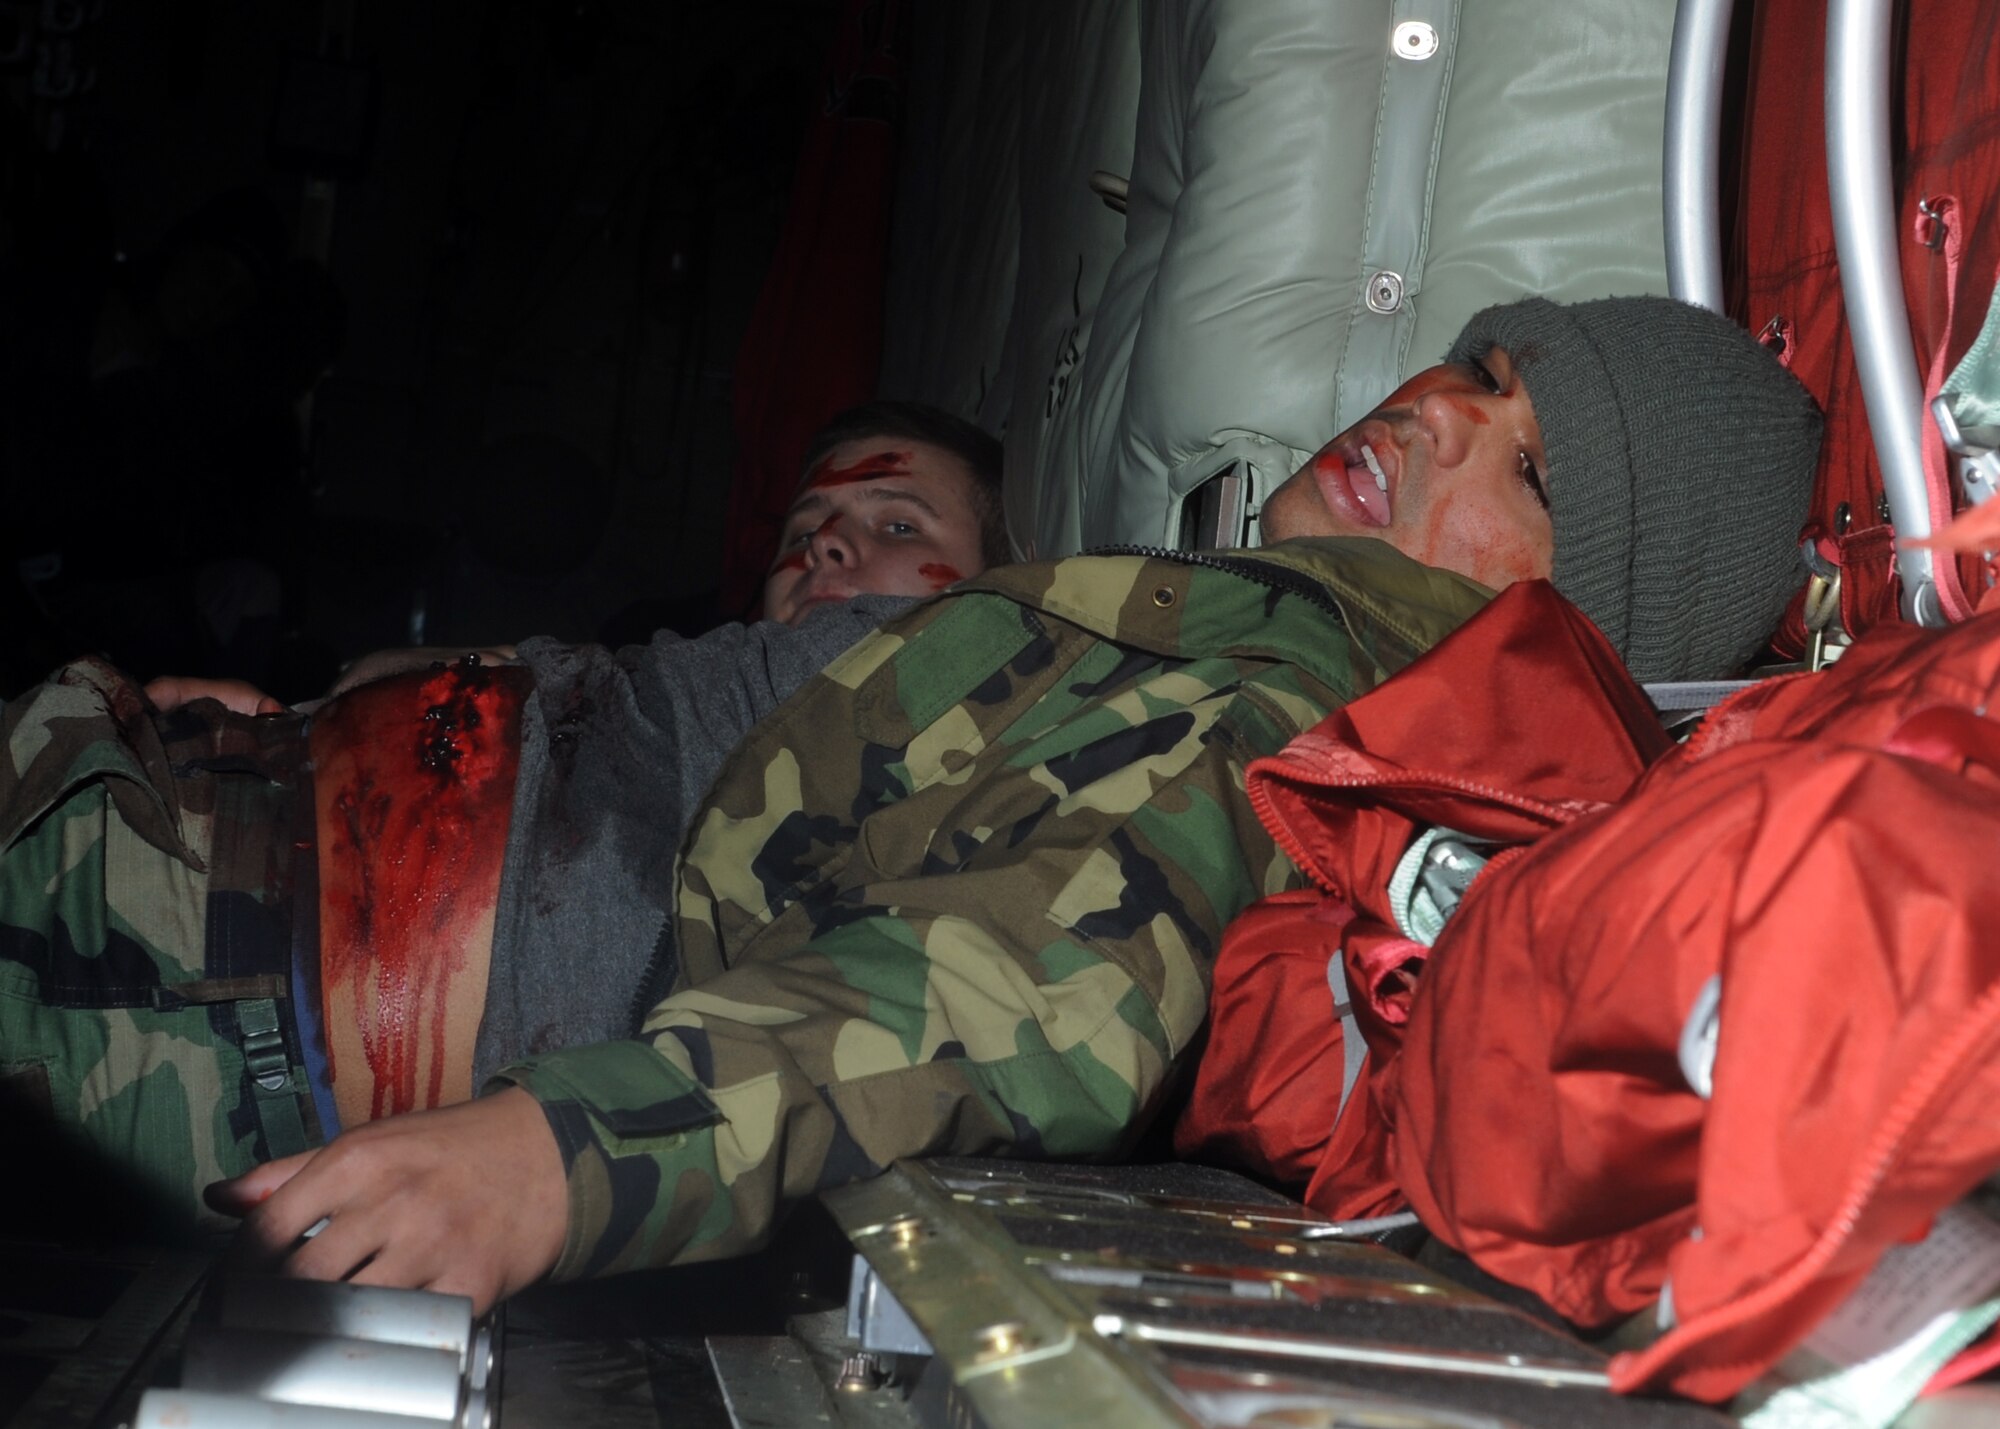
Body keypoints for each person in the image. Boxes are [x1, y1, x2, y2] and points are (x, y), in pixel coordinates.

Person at [5, 297, 1819, 1311]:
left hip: (220, 986)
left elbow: (1027, 979)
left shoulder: (1324, 701)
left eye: (1528, 459)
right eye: (1479, 370)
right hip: (187, 861)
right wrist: (324, 730)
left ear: (1580, 608)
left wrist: (568, 1156)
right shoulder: (1238, 617)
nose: (1431, 408)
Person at [0, 399, 1004, 1199]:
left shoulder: (948, 725)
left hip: (209, 1047)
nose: (829, 541)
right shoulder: (682, 688)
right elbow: (397, 677)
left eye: (895, 524)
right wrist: (269, 727)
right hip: (135, 808)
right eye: (808, 524)